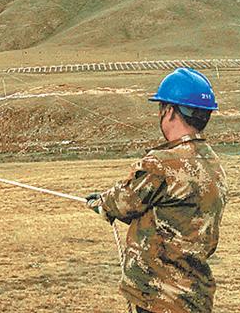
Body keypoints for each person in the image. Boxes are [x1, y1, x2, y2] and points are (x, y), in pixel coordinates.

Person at [87, 68, 227, 313]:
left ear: (169, 110)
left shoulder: (162, 164)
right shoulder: (213, 162)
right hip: (195, 296)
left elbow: (122, 204)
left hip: (160, 297)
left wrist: (100, 202)